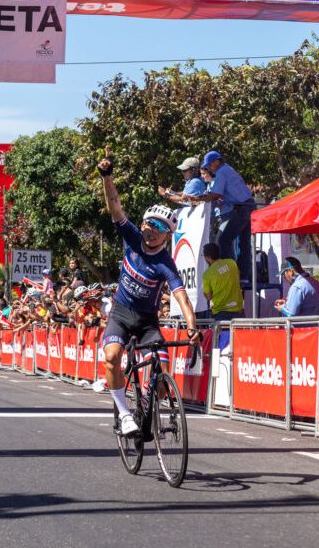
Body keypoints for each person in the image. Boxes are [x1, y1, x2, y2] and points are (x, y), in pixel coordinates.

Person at [97, 147, 201, 437]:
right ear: (142, 225)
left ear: (168, 235)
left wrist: (192, 327)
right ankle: (125, 413)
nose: (151, 230)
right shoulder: (131, 237)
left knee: (160, 365)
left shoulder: (165, 263)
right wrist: (107, 177)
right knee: (112, 356)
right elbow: (115, 207)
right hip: (120, 312)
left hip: (146, 320)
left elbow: (180, 294)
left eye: (160, 227)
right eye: (149, 224)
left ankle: (149, 400)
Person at [192, 151, 256, 281]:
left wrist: (198, 198)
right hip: (249, 206)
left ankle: (231, 274)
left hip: (241, 208)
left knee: (223, 240)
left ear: (217, 161)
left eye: (209, 165)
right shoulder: (228, 169)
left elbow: (215, 194)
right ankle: (243, 276)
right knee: (244, 243)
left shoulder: (221, 172)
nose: (209, 168)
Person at [201, 243, 243, 321]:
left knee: (220, 333)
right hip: (238, 310)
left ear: (207, 257)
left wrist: (204, 292)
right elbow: (237, 276)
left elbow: (209, 297)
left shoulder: (207, 274)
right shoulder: (232, 263)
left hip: (220, 313)